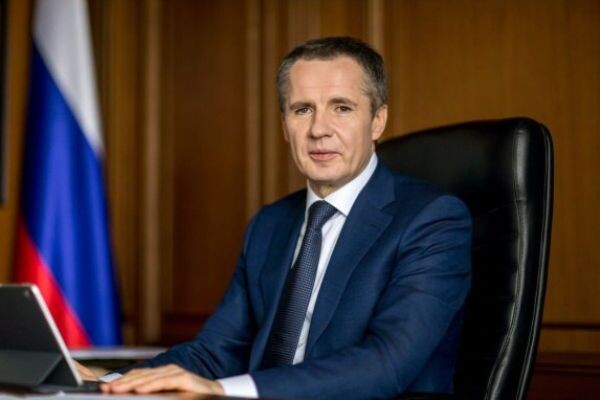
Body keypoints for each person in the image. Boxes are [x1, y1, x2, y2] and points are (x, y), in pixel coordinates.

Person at [79, 36, 472, 399]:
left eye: (342, 108)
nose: (319, 130)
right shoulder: (270, 224)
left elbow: (387, 363)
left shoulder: (432, 220)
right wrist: (108, 383)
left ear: (378, 121)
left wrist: (223, 391)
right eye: (303, 110)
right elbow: (214, 352)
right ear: (285, 125)